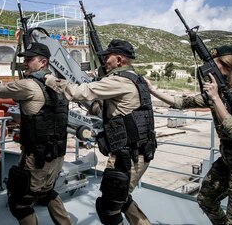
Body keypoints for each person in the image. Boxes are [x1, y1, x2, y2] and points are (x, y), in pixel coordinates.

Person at [44, 39, 156, 225]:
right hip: (137, 153)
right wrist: (98, 107)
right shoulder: (135, 79)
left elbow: (77, 92)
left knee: (108, 209)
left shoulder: (118, 81)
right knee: (122, 199)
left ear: (119, 60)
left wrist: (49, 79)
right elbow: (121, 109)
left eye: (108, 57)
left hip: (127, 157)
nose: (104, 60)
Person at [146, 45, 232, 224]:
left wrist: (216, 98)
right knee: (206, 199)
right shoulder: (217, 91)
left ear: (227, 66)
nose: (207, 68)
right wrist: (152, 90)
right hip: (228, 158)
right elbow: (181, 102)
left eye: (214, 63)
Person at [0, 42, 72, 225]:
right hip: (58, 155)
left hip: (36, 157)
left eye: (29, 60)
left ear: (43, 62)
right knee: (47, 192)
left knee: (20, 204)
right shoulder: (61, 86)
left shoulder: (29, 85)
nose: (24, 63)